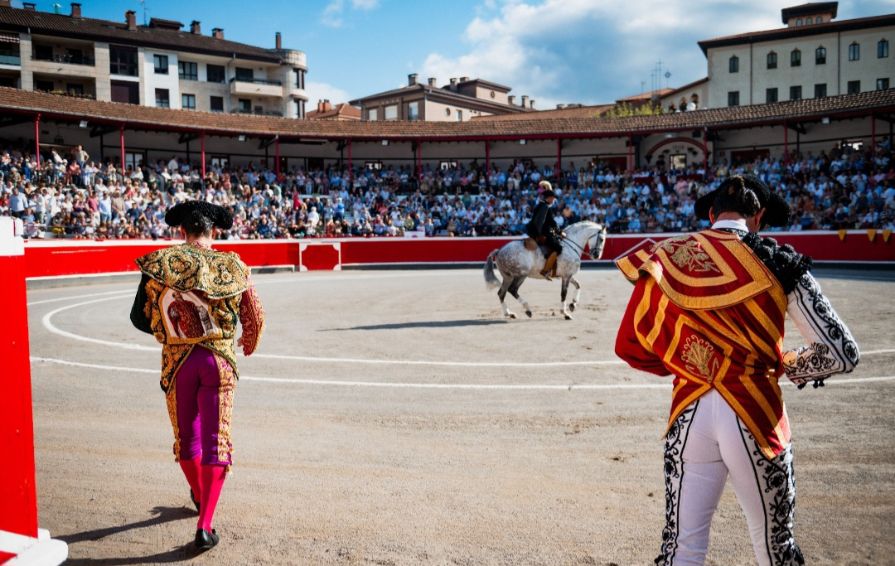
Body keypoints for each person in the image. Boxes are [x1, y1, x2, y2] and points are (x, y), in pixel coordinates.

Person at [614, 175, 859, 566]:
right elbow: (842, 352)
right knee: (774, 548)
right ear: (758, 217)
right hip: (755, 412)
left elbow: (629, 344)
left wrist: (691, 364)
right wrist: (786, 365)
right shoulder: (778, 261)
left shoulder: (668, 256)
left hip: (689, 411)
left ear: (711, 215)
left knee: (681, 549)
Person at [130, 200, 265, 551]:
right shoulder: (232, 263)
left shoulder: (160, 264)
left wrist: (171, 332)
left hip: (178, 363)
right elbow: (255, 316)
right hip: (218, 360)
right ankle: (205, 525)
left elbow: (139, 318)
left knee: (187, 440)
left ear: (181, 232)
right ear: (213, 232)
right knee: (216, 441)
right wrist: (246, 342)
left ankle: (198, 493)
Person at [526, 180, 563, 280]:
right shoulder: (545, 207)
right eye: (553, 198)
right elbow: (550, 222)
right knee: (558, 248)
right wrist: (559, 232)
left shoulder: (541, 205)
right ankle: (546, 271)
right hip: (541, 234)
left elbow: (548, 222)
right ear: (550, 198)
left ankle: (553, 270)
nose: (554, 200)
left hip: (538, 232)